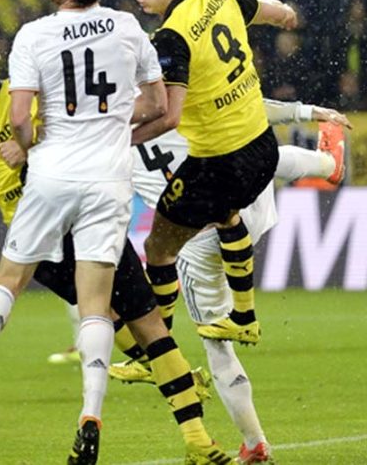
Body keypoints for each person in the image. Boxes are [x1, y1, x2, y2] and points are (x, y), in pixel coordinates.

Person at [0, 0, 215, 465]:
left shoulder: (27, 45)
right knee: (128, 318)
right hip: (102, 183)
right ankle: (108, 416)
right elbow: (157, 108)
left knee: (10, 282)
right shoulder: (127, 28)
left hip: (47, 192)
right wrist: (110, 129)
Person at [111, 98, 349, 464]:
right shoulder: (172, 99)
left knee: (217, 345)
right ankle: (328, 163)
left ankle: (254, 442)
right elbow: (246, 101)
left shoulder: (108, 133)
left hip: (192, 235)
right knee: (257, 150)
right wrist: (305, 111)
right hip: (241, 200)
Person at [130, 0, 308, 346]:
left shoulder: (170, 37)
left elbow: (169, 115)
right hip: (262, 147)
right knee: (227, 216)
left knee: (158, 248)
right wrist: (287, 17)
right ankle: (244, 316)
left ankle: (157, 347)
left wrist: (121, 138)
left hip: (221, 162)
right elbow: (274, 11)